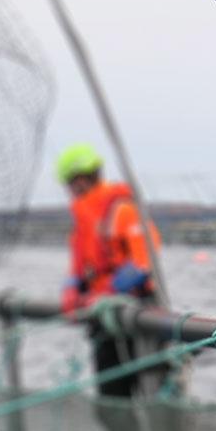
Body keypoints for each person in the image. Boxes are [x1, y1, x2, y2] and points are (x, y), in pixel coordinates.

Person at [54, 142, 164, 399]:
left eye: (70, 183)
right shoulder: (83, 220)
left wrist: (109, 291)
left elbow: (143, 261)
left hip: (135, 314)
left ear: (80, 179)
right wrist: (71, 288)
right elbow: (80, 267)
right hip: (104, 321)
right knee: (112, 399)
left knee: (152, 395)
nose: (69, 191)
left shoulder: (122, 210)